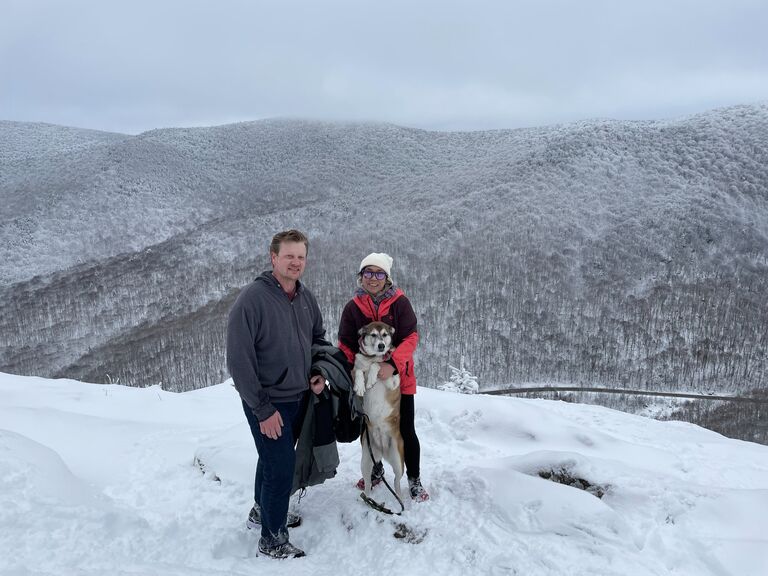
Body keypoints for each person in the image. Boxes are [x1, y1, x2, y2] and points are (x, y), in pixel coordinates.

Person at [226, 229, 330, 559]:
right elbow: (239, 362)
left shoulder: (305, 297)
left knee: (273, 459)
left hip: (298, 397)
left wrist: (317, 373)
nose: (296, 262)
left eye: (301, 256)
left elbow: (317, 339)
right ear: (274, 258)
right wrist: (262, 408)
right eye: (289, 256)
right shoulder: (252, 300)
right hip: (268, 401)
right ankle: (272, 538)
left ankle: (262, 512)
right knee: (281, 467)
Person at [337, 252, 430, 502]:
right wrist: (354, 370)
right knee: (369, 427)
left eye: (378, 273)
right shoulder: (353, 306)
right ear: (361, 277)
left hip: (399, 378)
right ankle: (376, 469)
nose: (373, 278)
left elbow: (411, 337)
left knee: (405, 430)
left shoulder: (400, 303)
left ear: (387, 277)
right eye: (368, 273)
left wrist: (393, 365)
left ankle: (414, 478)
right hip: (367, 380)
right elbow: (345, 343)